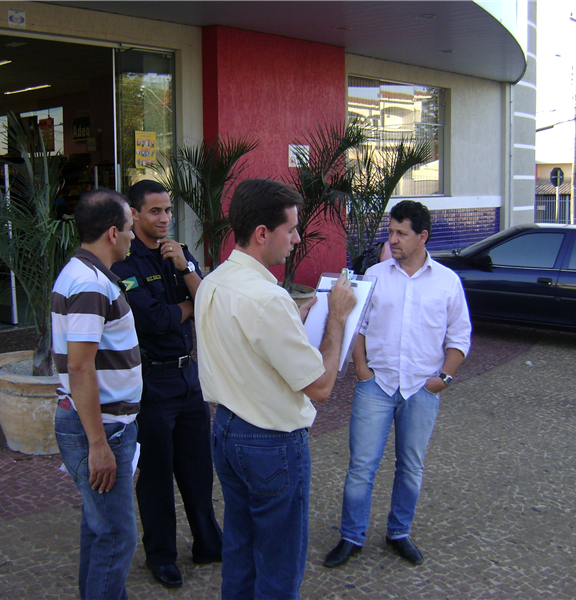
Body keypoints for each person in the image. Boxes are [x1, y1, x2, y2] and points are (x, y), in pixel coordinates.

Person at [195, 178, 357, 599]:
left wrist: (294, 325)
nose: (297, 238)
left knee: (241, 549)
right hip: (270, 441)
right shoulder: (268, 299)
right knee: (279, 565)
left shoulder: (212, 282)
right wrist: (336, 318)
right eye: (291, 229)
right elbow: (320, 387)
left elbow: (249, 352)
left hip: (226, 430)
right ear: (262, 233)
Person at [324, 200, 471, 568]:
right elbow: (356, 326)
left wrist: (443, 379)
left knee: (410, 466)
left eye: (400, 233)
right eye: (390, 232)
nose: (393, 239)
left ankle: (399, 533)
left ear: (422, 236)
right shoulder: (375, 275)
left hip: (422, 389)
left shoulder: (448, 282)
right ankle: (351, 536)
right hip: (377, 385)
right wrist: (361, 367)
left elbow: (460, 337)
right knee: (361, 465)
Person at [111, 180, 222, 589]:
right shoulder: (125, 264)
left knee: (198, 467)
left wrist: (186, 270)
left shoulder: (178, 253)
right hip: (152, 381)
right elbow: (155, 322)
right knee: (156, 476)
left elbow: (209, 302)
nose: (163, 218)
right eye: (154, 211)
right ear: (135, 215)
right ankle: (161, 556)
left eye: (168, 210)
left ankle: (208, 543)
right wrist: (192, 305)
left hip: (187, 377)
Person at [51, 188, 140, 600]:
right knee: (117, 536)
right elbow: (79, 366)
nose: (133, 237)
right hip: (102, 427)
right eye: (128, 229)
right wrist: (98, 444)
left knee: (98, 527)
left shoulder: (83, 274)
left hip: (104, 424)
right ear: (111, 233)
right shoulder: (89, 284)